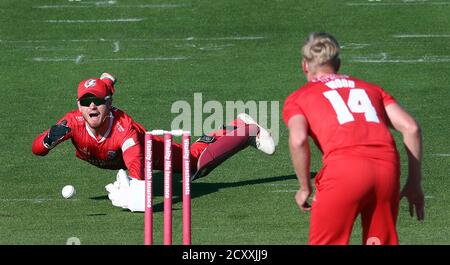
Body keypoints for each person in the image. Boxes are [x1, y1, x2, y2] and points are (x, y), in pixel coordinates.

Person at [32, 73, 276, 211]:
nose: (91, 106)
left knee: (194, 165)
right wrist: (46, 141)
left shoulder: (126, 131)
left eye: (97, 100)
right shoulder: (70, 124)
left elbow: (140, 185)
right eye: (85, 102)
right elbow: (36, 149)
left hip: (143, 149)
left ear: (108, 103)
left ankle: (244, 128)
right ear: (78, 106)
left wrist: (128, 194)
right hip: (115, 158)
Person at [282, 32, 424, 245]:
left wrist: (304, 187)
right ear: (337, 63)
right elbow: (411, 128)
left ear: (305, 65)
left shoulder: (298, 98)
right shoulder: (371, 89)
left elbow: (298, 139)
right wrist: (414, 183)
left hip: (344, 172)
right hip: (386, 171)